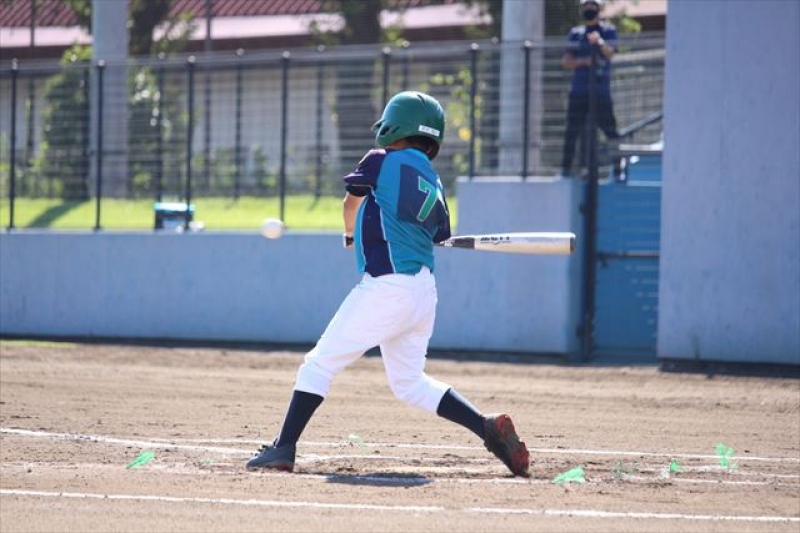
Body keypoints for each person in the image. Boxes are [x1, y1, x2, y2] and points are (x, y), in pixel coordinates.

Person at [245, 91, 530, 478]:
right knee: (410, 383)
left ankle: (284, 447)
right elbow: (440, 233)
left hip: (387, 288)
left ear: (394, 126)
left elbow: (351, 204)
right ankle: (485, 426)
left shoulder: (380, 160)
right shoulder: (434, 180)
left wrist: (350, 234)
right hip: (423, 293)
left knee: (318, 365)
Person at [559, 0, 620, 178]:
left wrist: (599, 42)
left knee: (610, 131)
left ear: (599, 9)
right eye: (586, 7)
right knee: (573, 131)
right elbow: (566, 62)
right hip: (579, 91)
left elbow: (610, 53)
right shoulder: (576, 34)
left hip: (600, 92)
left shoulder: (608, 31)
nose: (589, 10)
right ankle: (566, 170)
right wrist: (584, 61)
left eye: (593, 7)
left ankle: (619, 170)